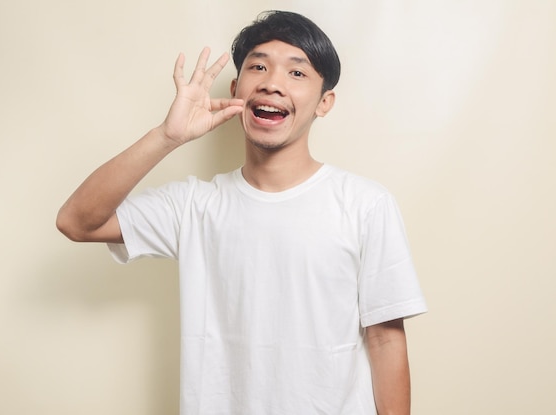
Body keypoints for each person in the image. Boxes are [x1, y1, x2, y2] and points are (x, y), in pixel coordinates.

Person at [57, 10, 427, 415]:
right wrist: (167, 137)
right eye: (258, 66)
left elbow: (386, 340)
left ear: (325, 103)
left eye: (297, 73)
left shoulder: (365, 204)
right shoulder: (194, 206)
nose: (272, 83)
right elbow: (76, 221)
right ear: (236, 88)